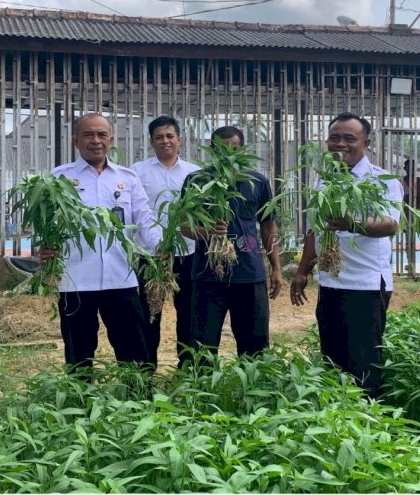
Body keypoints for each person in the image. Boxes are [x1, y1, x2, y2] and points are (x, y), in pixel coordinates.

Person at [289, 112, 403, 398]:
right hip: (330, 282)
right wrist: (302, 271)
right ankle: (338, 416)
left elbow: (390, 224)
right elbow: (314, 230)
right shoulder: (323, 182)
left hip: (365, 285)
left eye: (349, 138)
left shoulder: (382, 180)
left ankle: (369, 414)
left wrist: (351, 223)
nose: (341, 144)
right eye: (335, 138)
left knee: (364, 362)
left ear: (366, 143)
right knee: (332, 359)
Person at [41, 113, 161, 372]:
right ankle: (80, 395)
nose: (95, 140)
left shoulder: (127, 178)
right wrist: (44, 246)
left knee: (134, 351)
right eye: (88, 135)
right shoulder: (59, 178)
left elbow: (144, 219)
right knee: (79, 352)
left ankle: (138, 395)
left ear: (110, 140)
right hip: (76, 281)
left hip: (121, 278)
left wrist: (160, 245)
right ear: (75, 141)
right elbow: (45, 221)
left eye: (101, 134)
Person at [181, 126, 282, 360]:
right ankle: (203, 383)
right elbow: (185, 227)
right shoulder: (197, 180)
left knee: (255, 345)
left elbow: (268, 225)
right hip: (208, 275)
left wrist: (276, 267)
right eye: (220, 149)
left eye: (233, 149)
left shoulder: (257, 181)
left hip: (249, 274)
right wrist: (207, 232)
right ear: (211, 150)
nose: (227, 155)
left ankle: (253, 381)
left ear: (243, 151)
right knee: (202, 345)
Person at [130, 115, 200, 367]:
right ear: (151, 141)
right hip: (150, 255)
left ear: (180, 139)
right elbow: (135, 212)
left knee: (189, 312)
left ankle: (188, 367)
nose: (165, 141)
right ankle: (146, 370)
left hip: (188, 253)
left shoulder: (194, 173)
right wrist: (156, 243)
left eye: (170, 136)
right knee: (149, 313)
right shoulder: (137, 171)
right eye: (159, 137)